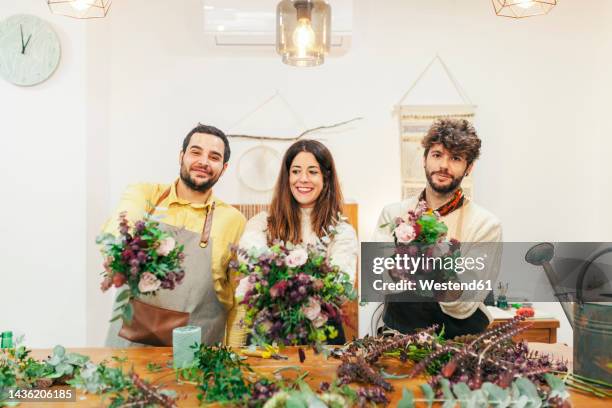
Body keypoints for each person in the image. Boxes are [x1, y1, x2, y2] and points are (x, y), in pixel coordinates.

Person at [102, 124, 246, 347]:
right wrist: (118, 248)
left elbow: (239, 297)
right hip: (131, 350)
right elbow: (124, 219)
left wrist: (236, 353)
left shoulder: (233, 221)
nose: (204, 162)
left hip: (197, 353)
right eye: (196, 152)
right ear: (182, 156)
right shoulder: (147, 196)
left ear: (224, 168)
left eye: (214, 157)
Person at [372, 118, 502, 338]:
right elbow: (378, 280)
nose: (444, 165)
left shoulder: (485, 225)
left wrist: (431, 267)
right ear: (424, 160)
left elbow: (464, 302)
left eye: (456, 158)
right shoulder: (393, 215)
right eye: (437, 155)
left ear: (469, 167)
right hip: (398, 341)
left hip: (460, 344)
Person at [226, 139, 358, 347]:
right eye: (296, 171)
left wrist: (278, 282)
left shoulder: (341, 231)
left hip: (322, 338)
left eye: (312, 171)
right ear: (287, 177)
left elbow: (341, 288)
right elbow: (253, 271)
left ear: (326, 176)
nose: (303, 179)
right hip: (268, 336)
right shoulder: (261, 224)